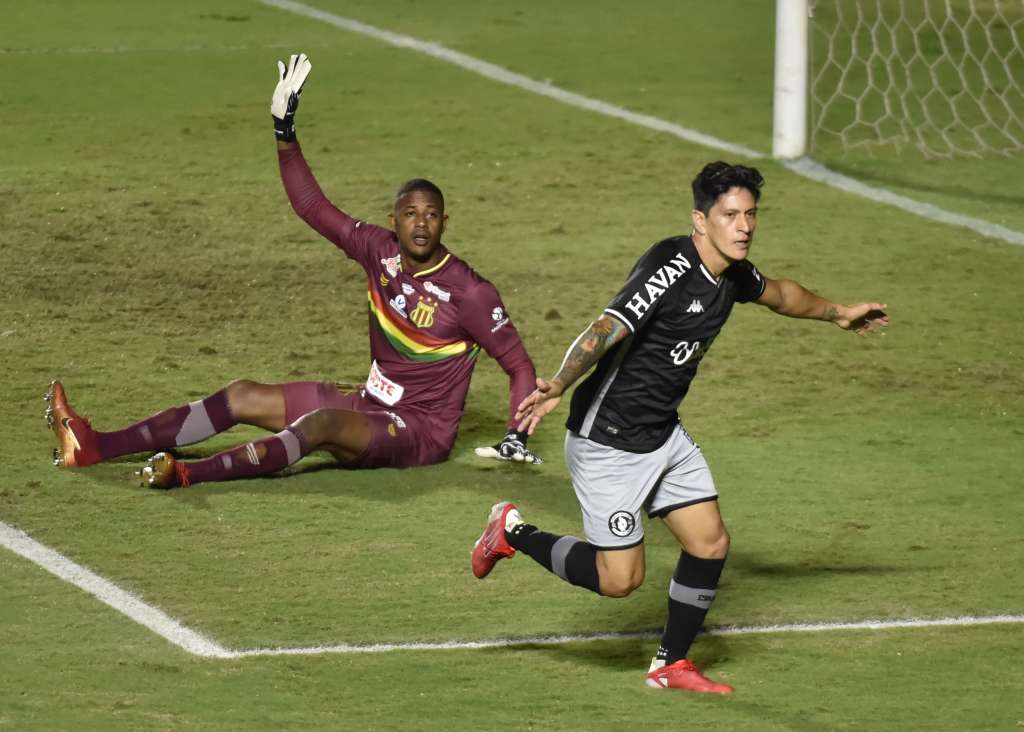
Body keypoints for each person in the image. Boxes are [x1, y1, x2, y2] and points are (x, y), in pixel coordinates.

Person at [471, 161, 889, 694]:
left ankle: (671, 664)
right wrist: (559, 381)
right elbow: (608, 327)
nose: (744, 226)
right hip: (609, 443)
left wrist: (838, 313)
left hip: (663, 435)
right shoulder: (669, 267)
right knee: (620, 580)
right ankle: (511, 531)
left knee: (710, 543)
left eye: (750, 214)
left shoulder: (733, 274)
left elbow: (782, 295)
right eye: (730, 215)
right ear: (700, 219)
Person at [45, 52, 541, 489]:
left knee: (320, 424)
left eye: (431, 214)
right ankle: (94, 446)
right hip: (371, 401)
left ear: (444, 221)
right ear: (395, 221)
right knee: (240, 395)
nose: (421, 223)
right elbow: (310, 205)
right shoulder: (378, 250)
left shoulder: (470, 292)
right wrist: (285, 134)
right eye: (410, 214)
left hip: (417, 432)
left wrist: (515, 436)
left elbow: (519, 368)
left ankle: (188, 473)